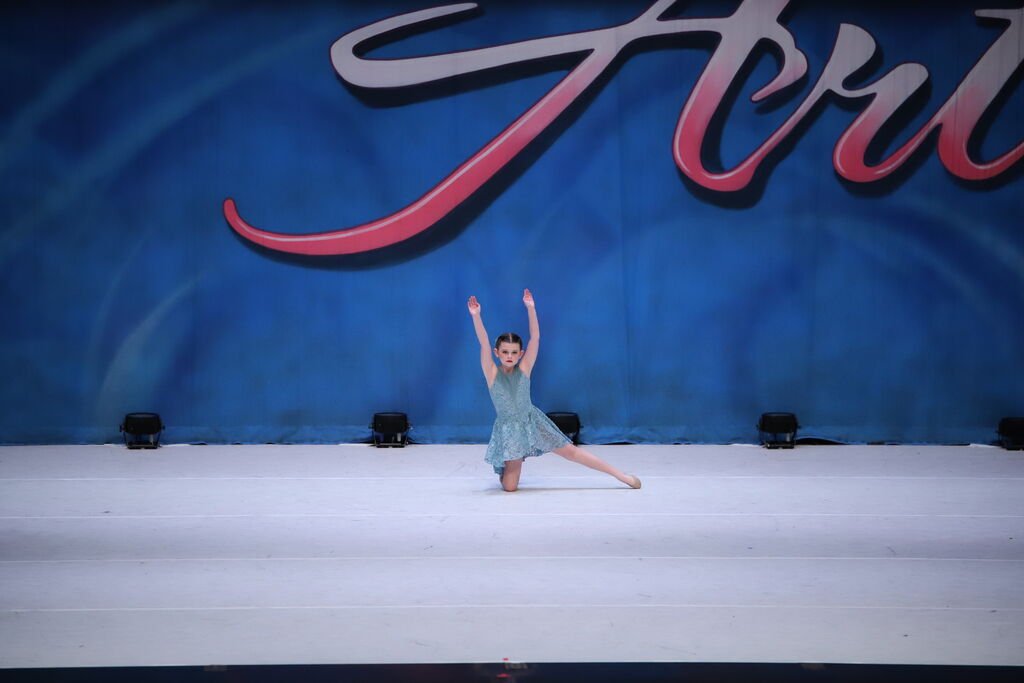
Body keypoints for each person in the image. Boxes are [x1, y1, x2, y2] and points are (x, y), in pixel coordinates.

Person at [467, 289, 642, 492]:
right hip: (509, 430)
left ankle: (621, 476)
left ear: (520, 354)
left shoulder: (524, 369)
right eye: (505, 352)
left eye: (514, 352)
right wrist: (476, 316)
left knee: (571, 452)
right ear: (497, 353)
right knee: (509, 487)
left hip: (532, 421)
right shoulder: (491, 374)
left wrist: (531, 309)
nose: (509, 356)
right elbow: (483, 342)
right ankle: (510, 463)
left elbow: (535, 338)